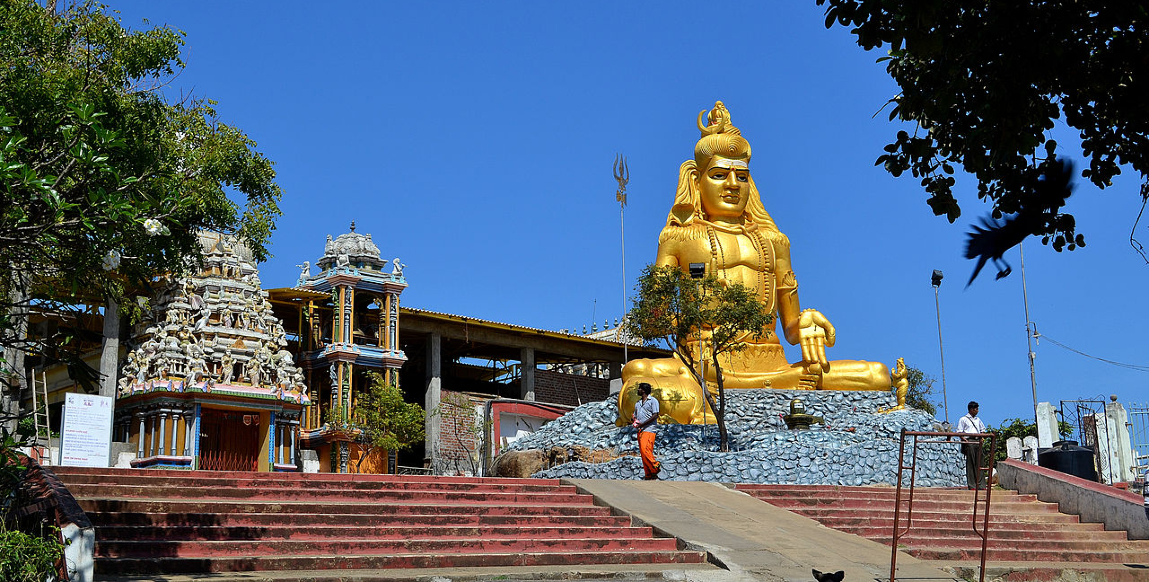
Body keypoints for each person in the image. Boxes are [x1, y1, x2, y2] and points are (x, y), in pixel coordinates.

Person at [618, 101, 891, 426]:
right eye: (719, 175)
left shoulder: (775, 243)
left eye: (742, 176)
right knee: (638, 383)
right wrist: (677, 316)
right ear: (696, 179)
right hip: (703, 363)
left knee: (878, 375)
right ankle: (749, 392)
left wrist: (805, 322)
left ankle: (744, 392)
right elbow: (655, 317)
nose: (732, 185)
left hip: (772, 362)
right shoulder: (678, 239)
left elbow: (790, 329)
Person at [632, 382, 661, 480]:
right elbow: (635, 415)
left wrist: (643, 424)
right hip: (640, 430)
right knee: (643, 454)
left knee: (646, 450)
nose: (638, 390)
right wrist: (634, 420)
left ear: (643, 390)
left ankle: (655, 466)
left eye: (639, 389)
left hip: (649, 430)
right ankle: (649, 473)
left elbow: (655, 415)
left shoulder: (653, 401)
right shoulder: (638, 403)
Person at [957, 400, 988, 489]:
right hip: (969, 441)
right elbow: (959, 432)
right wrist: (964, 440)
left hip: (978, 441)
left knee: (980, 462)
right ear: (971, 409)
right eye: (976, 409)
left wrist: (982, 438)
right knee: (971, 463)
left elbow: (983, 429)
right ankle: (972, 485)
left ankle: (981, 484)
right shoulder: (963, 419)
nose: (977, 411)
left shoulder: (978, 420)